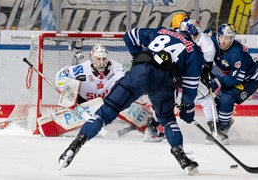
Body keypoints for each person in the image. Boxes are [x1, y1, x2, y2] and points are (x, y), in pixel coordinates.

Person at [58, 18, 205, 175]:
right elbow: (190, 88)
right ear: (195, 34)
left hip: (138, 73)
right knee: (168, 120)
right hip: (162, 82)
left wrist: (138, 58)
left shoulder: (161, 31)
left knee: (106, 111)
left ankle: (76, 143)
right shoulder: (194, 51)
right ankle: (182, 157)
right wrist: (187, 110)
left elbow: (129, 35)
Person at [55, 44, 164, 142]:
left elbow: (133, 81)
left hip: (108, 102)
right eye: (98, 59)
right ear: (92, 59)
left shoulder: (118, 69)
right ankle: (62, 117)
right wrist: (64, 85)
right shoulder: (82, 69)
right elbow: (62, 73)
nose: (101, 62)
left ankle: (150, 127)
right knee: (70, 88)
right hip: (84, 102)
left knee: (127, 96)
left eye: (104, 58)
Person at [205, 24, 258, 144]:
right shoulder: (213, 41)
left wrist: (218, 81)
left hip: (249, 79)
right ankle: (220, 126)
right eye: (222, 37)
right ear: (218, 36)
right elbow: (204, 35)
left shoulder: (237, 52)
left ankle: (223, 130)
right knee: (216, 99)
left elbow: (238, 77)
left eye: (228, 38)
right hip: (234, 75)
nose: (224, 41)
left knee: (227, 99)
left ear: (233, 39)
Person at [172, 13, 219, 141]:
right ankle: (216, 130)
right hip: (185, 74)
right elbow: (208, 54)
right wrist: (205, 69)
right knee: (206, 98)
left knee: (167, 98)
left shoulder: (170, 35)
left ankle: (153, 127)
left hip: (166, 73)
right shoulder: (195, 39)